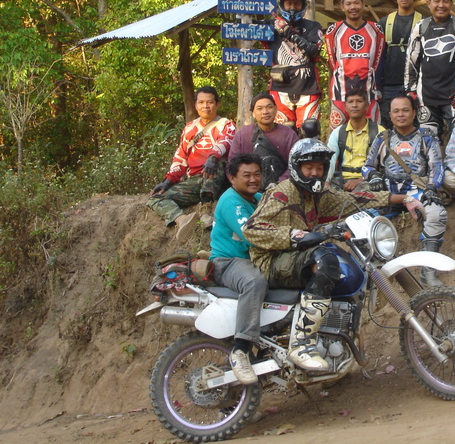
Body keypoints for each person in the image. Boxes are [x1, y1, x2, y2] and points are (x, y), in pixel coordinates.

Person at [242, 139, 423, 371]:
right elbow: (252, 229)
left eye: (320, 168)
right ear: (297, 168)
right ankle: (301, 343)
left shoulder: (320, 194)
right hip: (272, 261)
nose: (315, 173)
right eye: (309, 168)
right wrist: (296, 235)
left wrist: (405, 199)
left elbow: (355, 199)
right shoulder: (282, 193)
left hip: (298, 256)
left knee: (340, 260)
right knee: (325, 260)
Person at [362, 94, 448, 286]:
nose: (401, 114)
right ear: (390, 114)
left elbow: (437, 167)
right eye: (396, 111)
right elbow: (366, 166)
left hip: (417, 191)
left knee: (437, 214)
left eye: (405, 110)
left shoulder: (427, 137)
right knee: (360, 219)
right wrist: (374, 176)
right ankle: (368, 273)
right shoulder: (382, 138)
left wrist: (432, 188)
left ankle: (428, 269)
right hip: (388, 193)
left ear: (414, 113)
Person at [147, 86, 236, 242]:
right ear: (195, 105)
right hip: (194, 181)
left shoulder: (226, 125)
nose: (205, 106)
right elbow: (180, 157)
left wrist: (213, 157)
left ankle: (206, 209)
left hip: (217, 178)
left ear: (217, 104)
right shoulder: (190, 128)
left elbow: (225, 142)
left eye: (210, 102)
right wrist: (168, 180)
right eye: (201, 102)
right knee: (155, 198)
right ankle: (181, 219)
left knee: (218, 162)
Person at [208, 153, 267, 385]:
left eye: (257, 174)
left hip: (253, 259)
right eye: (246, 175)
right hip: (228, 262)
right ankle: (241, 349)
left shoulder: (259, 198)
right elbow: (252, 235)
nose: (253, 179)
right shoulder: (231, 202)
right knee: (254, 281)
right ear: (232, 178)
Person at [404, 0, 455, 138]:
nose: (441, 5)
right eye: (436, 1)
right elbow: (411, 61)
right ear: (428, 3)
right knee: (428, 138)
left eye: (445, 1)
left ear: (451, 3)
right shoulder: (420, 28)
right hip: (425, 96)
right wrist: (410, 90)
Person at [325, 0, 384, 128]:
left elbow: (377, 61)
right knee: (338, 134)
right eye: (348, 4)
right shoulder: (333, 31)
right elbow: (333, 62)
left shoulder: (376, 30)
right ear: (342, 7)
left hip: (368, 93)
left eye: (356, 3)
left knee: (373, 134)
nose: (353, 7)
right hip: (340, 93)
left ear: (363, 4)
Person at [268, 0, 325, 130]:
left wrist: (288, 32)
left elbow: (314, 51)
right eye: (288, 4)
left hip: (308, 87)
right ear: (282, 4)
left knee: (310, 129)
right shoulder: (270, 25)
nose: (292, 8)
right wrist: (241, 16)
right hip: (280, 88)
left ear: (303, 5)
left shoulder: (313, 26)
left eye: (296, 4)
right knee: (282, 133)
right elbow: (248, 29)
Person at [229, 93, 299, 190]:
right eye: (260, 108)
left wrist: (280, 184)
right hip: (248, 188)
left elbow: (296, 164)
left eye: (269, 107)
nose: (265, 112)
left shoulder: (289, 134)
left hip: (282, 188)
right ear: (253, 113)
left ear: (276, 109)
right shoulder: (243, 135)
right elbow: (231, 165)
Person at [378, 0, 422, 129]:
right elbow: (378, 56)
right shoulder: (385, 22)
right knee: (388, 125)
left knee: (416, 125)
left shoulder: (423, 22)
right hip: (389, 84)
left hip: (416, 85)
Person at [327, 89, 385, 191]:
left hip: (370, 181)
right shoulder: (338, 132)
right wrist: (326, 183)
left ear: (367, 106)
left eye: (359, 101)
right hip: (342, 181)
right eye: (350, 102)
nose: (354, 105)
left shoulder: (380, 132)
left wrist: (361, 180)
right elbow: (329, 161)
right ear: (345, 107)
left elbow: (388, 166)